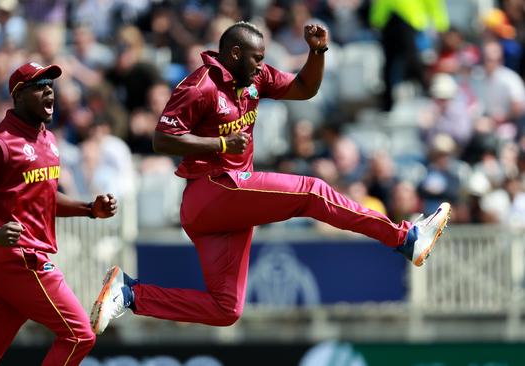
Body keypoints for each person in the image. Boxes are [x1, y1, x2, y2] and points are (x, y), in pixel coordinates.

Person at [90, 21, 450, 334]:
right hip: (211, 190)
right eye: (256, 57)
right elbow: (161, 139)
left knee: (225, 309)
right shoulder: (199, 86)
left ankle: (130, 293)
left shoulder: (255, 77)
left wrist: (319, 51)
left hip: (225, 208)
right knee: (312, 190)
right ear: (233, 53)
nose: (262, 64)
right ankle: (405, 237)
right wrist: (220, 142)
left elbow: (304, 89)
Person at [0, 62, 117, 365]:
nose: (49, 90)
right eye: (39, 85)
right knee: (79, 335)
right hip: (17, 257)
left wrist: (89, 209)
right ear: (18, 95)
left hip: (11, 262)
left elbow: (46, 198)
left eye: (51, 84)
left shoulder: (48, 141)